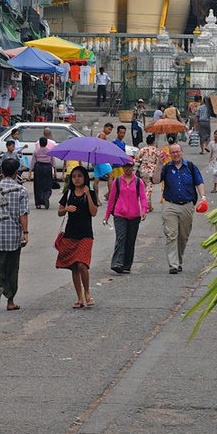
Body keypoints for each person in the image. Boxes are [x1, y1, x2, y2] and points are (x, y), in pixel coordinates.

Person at [154, 142, 206, 273]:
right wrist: (159, 165)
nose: (176, 154)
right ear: (170, 155)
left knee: (183, 236)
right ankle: (173, 265)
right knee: (171, 234)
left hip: (187, 206)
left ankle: (179, 260)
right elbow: (155, 180)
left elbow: (199, 182)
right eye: (173, 152)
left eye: (178, 152)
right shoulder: (166, 168)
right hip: (170, 205)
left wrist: (203, 197)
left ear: (182, 152)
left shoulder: (190, 167)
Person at [0, 156, 29, 312]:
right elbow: (23, 214)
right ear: (16, 172)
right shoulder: (21, 190)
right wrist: (25, 233)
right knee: (12, 268)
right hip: (13, 236)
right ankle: (10, 301)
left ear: (1, 171)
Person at [56, 165, 98, 308]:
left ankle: (87, 293)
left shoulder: (90, 192)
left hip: (86, 234)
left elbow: (94, 212)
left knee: (82, 264)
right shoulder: (68, 193)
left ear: (84, 177)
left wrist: (88, 195)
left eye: (79, 176)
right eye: (74, 176)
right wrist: (66, 209)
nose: (77, 179)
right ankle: (79, 298)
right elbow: (59, 212)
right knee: (74, 267)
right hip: (70, 234)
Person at [104, 158, 147, 273]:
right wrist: (107, 215)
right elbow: (111, 199)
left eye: (130, 166)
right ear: (122, 167)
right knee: (121, 237)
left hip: (134, 215)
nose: (128, 169)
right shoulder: (117, 181)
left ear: (133, 167)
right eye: (125, 166)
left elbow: (143, 197)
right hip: (120, 214)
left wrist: (144, 210)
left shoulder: (138, 182)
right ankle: (117, 263)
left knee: (130, 240)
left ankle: (127, 265)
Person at [135, 133, 160, 211]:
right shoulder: (155, 150)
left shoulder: (143, 150)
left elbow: (136, 159)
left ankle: (149, 206)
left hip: (143, 170)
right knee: (149, 189)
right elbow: (159, 160)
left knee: (145, 187)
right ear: (153, 142)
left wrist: (143, 160)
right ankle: (145, 206)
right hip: (152, 171)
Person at [92, 130, 114, 203]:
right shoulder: (102, 134)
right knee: (110, 175)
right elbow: (101, 146)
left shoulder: (98, 135)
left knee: (96, 179)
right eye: (109, 129)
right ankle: (111, 195)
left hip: (97, 159)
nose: (110, 131)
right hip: (101, 158)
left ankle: (97, 199)